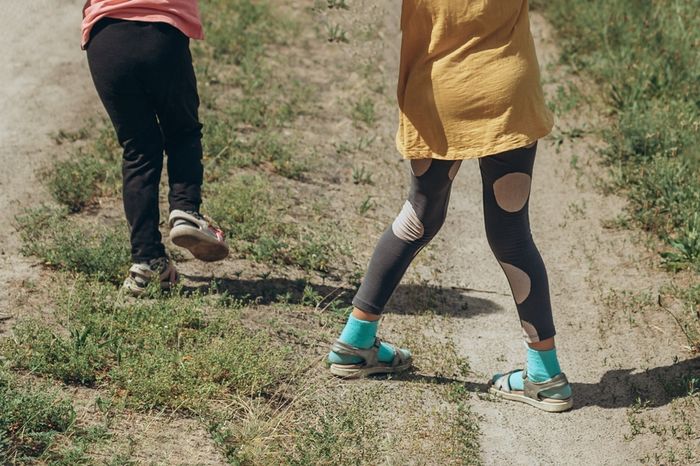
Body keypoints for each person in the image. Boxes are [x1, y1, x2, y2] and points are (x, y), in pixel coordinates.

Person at [327, 0, 573, 412]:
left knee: (418, 215)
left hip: (437, 94)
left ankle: (355, 341)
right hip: (507, 93)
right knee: (512, 235)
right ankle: (545, 374)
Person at [81, 0, 229, 296]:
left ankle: (147, 262)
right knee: (182, 131)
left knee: (138, 150)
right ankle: (186, 209)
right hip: (161, 35)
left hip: (106, 39)